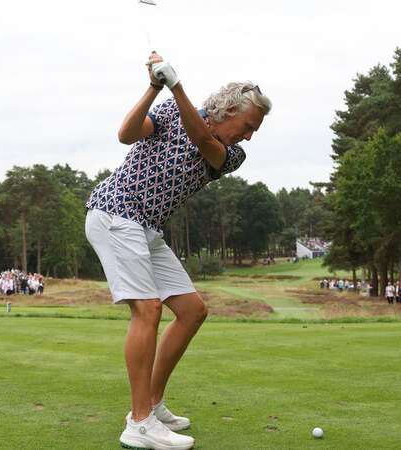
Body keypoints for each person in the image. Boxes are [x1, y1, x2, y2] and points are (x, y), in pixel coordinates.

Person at [85, 51, 270, 450]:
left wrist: (176, 84)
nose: (250, 135)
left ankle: (152, 403)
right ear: (232, 110)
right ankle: (139, 423)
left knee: (191, 310)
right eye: (249, 125)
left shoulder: (232, 154)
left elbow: (203, 138)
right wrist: (155, 87)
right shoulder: (170, 108)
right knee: (148, 309)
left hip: (146, 228)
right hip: (116, 212)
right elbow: (126, 133)